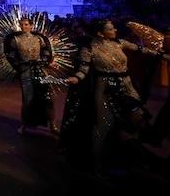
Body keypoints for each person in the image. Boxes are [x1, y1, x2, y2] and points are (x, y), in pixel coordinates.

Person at [62, 20, 170, 176]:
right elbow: (83, 69)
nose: (115, 30)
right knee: (103, 125)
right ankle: (97, 164)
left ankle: (132, 157)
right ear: (100, 33)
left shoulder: (120, 42)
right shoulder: (89, 48)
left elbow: (143, 50)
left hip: (127, 87)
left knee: (138, 120)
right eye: (111, 28)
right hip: (105, 89)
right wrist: (76, 78)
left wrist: (164, 56)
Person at [5, 17, 58, 135]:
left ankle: (52, 124)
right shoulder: (15, 40)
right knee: (27, 98)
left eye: (26, 24)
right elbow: (11, 55)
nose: (24, 27)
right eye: (22, 25)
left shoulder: (39, 38)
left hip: (40, 70)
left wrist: (43, 61)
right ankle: (24, 124)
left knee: (47, 96)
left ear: (31, 26)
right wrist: (20, 64)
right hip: (26, 72)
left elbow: (46, 51)